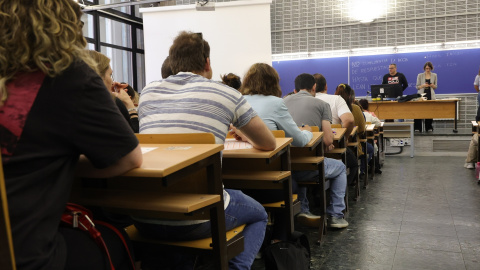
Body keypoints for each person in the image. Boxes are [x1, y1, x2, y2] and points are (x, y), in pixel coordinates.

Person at [0, 1, 143, 270]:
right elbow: (129, 159)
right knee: (117, 238)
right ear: (65, 25)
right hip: (25, 255)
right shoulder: (67, 76)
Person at [136, 31, 276, 269]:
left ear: (172, 62)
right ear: (207, 63)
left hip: (143, 216)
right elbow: (269, 143)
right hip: (198, 218)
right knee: (259, 214)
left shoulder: (148, 93)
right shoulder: (227, 93)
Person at [240, 63, 315, 232]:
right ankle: (279, 238)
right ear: (273, 82)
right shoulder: (276, 103)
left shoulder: (238, 101)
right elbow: (300, 141)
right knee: (292, 184)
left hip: (236, 184)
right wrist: (308, 131)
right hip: (270, 183)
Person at [284, 73, 349, 229]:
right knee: (339, 167)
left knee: (299, 162)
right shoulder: (321, 104)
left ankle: (303, 209)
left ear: (295, 89)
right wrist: (327, 143)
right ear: (314, 87)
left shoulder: (282, 102)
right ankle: (335, 215)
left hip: (284, 165)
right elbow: (328, 140)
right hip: (309, 167)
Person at [314, 73, 358, 186]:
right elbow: (349, 120)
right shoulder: (336, 99)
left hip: (309, 149)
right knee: (353, 164)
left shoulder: (304, 101)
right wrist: (345, 138)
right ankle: (343, 193)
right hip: (333, 145)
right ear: (326, 87)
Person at [88, 50, 139, 133]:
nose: (112, 81)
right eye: (110, 75)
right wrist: (129, 105)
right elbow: (135, 137)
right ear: (100, 76)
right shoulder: (108, 104)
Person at [335, 84, 374, 177]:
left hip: (331, 146)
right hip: (351, 145)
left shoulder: (331, 106)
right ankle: (361, 172)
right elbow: (361, 130)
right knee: (370, 148)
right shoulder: (355, 109)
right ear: (350, 96)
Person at [415, 62, 438, 132]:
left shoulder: (434, 75)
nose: (427, 70)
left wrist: (432, 85)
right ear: (424, 68)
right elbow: (417, 87)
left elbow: (435, 87)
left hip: (430, 94)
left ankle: (429, 127)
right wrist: (423, 85)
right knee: (419, 111)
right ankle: (417, 127)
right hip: (422, 95)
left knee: (429, 111)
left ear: (431, 68)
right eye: (426, 68)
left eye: (429, 68)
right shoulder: (420, 75)